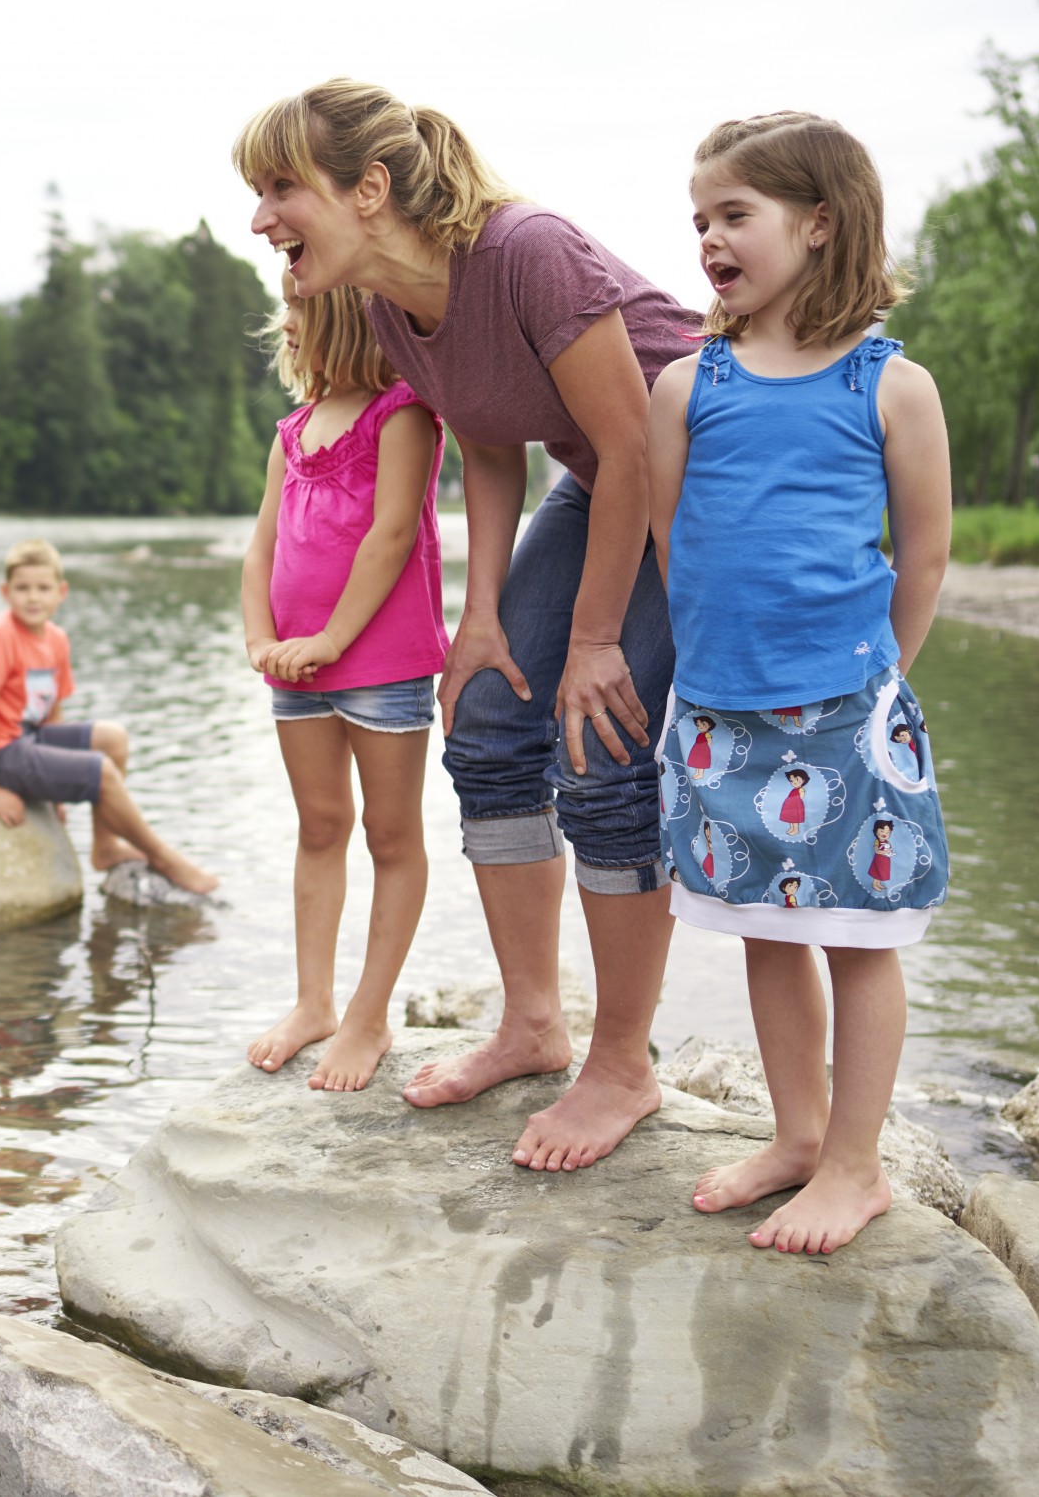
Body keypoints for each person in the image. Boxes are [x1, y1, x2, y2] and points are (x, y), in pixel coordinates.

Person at [237, 79, 702, 1170]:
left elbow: (634, 441)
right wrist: (482, 614)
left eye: (277, 188)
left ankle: (622, 1063)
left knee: (602, 741)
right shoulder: (399, 307)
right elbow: (492, 437)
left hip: (700, 485)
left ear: (369, 187)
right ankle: (534, 1023)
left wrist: (591, 640)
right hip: (598, 479)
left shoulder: (527, 251)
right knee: (489, 716)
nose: (258, 219)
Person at [649, 112, 952, 1254]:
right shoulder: (689, 384)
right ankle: (794, 1133)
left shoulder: (891, 383)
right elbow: (674, 541)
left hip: (848, 709)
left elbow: (922, 554)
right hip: (718, 707)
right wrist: (714, 668)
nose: (710, 239)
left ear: (818, 224)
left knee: (857, 936)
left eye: (734, 215)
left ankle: (854, 1163)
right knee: (760, 930)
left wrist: (878, 679)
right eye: (700, 222)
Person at [238, 272, 448, 1091]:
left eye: (297, 310)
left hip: (379, 665)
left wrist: (330, 638)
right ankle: (313, 1002)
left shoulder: (403, 414)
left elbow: (392, 534)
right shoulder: (291, 431)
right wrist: (263, 635)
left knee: (391, 837)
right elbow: (261, 547)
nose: (282, 324)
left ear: (344, 321)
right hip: (295, 666)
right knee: (319, 825)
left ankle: (369, 1014)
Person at [0, 540, 218, 895]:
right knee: (100, 772)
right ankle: (163, 857)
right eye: (22, 588)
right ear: (5, 592)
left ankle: (105, 845)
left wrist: (55, 790)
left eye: (43, 588)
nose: (33, 597)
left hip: (26, 739)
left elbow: (51, 713)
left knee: (114, 739)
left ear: (61, 592)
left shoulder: (56, 640)